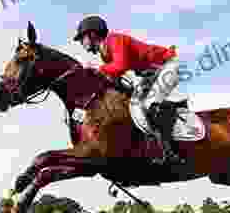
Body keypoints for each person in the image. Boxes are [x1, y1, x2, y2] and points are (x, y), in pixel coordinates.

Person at [73, 15, 186, 165]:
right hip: (153, 74)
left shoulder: (114, 40)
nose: (81, 42)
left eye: (82, 38)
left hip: (169, 66)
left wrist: (96, 69)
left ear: (92, 35)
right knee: (132, 103)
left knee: (149, 105)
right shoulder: (105, 53)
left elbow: (120, 66)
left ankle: (170, 151)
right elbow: (115, 79)